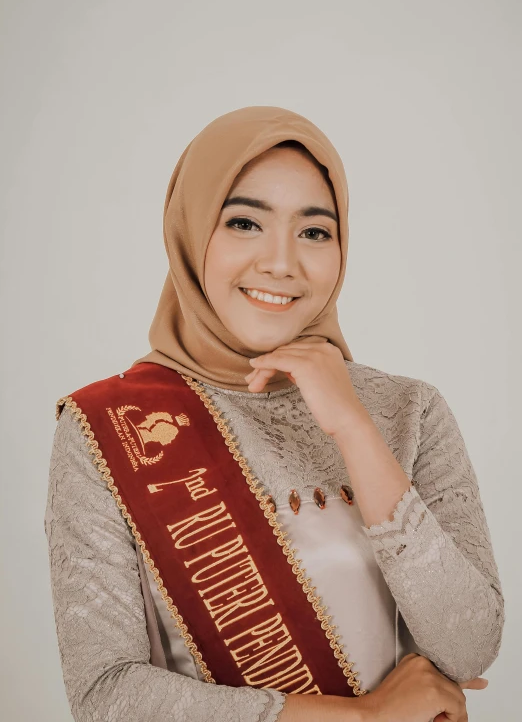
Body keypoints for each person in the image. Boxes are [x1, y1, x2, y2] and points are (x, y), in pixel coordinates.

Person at [45, 106, 504, 722]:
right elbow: (108, 696)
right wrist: (363, 717)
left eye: (314, 232)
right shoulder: (106, 427)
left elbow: (469, 647)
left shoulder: (409, 408)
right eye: (243, 223)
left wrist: (354, 427)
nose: (281, 262)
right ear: (189, 232)